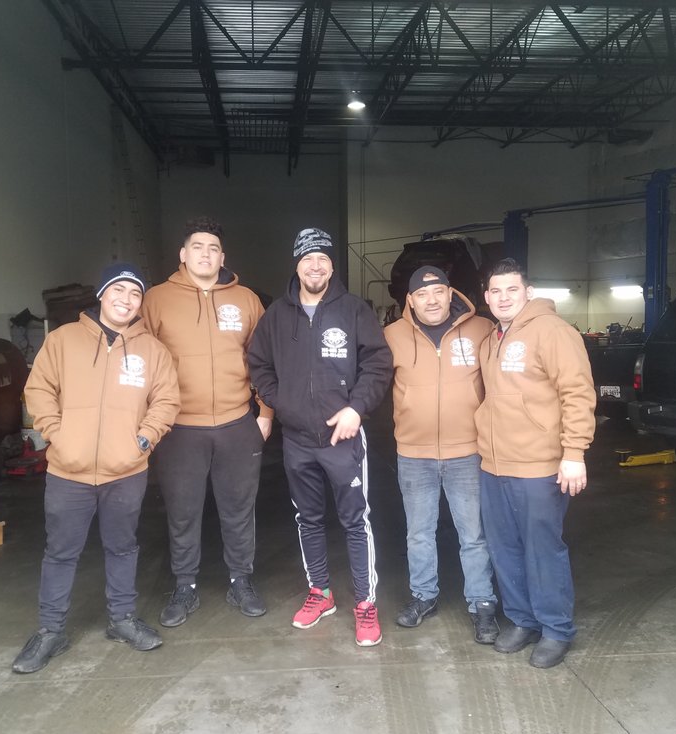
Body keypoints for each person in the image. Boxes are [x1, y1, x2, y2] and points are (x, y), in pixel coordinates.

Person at [12, 261, 180, 674]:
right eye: (119, 290)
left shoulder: (152, 350)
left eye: (135, 294)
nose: (126, 299)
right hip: (68, 471)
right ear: (102, 294)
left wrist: (144, 439)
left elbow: (166, 401)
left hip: (126, 470)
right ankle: (51, 631)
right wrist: (57, 433)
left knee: (123, 547)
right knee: (60, 552)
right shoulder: (63, 340)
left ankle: (122, 619)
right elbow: (39, 389)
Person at [247, 228, 393, 647]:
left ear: (332, 266)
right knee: (307, 519)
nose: (315, 266)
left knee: (355, 521)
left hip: (343, 438)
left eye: (323, 259)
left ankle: (365, 603)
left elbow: (378, 364)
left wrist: (356, 408)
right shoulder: (277, 315)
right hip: (297, 439)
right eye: (308, 258)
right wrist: (282, 403)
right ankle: (320, 592)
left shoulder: (354, 310)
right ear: (297, 265)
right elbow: (258, 363)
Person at [141, 217, 271, 627]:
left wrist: (265, 414)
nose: (205, 254)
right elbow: (139, 360)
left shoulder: (246, 299)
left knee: (239, 509)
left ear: (222, 257)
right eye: (197, 247)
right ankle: (185, 585)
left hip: (237, 423)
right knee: (183, 511)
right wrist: (147, 422)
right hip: (179, 426)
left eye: (213, 248)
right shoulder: (156, 300)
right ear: (183, 254)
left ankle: (241, 580)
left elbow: (265, 360)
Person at [475, 258, 595, 669]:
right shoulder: (491, 339)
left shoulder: (553, 331)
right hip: (494, 465)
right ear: (486, 296)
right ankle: (522, 620)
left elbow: (577, 392)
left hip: (539, 466)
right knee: (504, 549)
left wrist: (574, 453)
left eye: (512, 289)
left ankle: (556, 629)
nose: (503, 297)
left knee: (542, 549)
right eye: (495, 291)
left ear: (527, 292)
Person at [384, 265, 499, 644]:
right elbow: (369, 379)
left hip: (467, 451)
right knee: (419, 533)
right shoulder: (392, 335)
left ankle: (482, 603)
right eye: (422, 294)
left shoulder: (482, 329)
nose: (431, 300)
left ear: (451, 294)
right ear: (410, 300)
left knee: (474, 534)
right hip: (414, 453)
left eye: (438, 292)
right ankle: (424, 596)